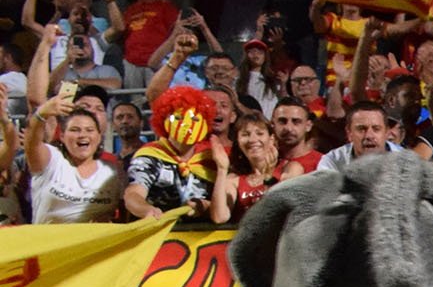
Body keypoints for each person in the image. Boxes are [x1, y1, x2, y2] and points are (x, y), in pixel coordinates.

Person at [24, 88, 123, 223]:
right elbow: (32, 143)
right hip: (52, 242)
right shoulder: (51, 160)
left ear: (99, 137)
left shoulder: (112, 171)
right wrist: (41, 114)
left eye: (90, 130)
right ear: (63, 136)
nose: (83, 135)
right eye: (75, 130)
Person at [124, 87, 219, 220]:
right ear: (164, 120)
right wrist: (147, 210)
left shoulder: (210, 159)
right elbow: (133, 194)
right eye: (179, 118)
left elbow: (224, 205)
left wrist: (205, 206)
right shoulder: (150, 155)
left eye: (195, 120)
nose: (187, 125)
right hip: (158, 233)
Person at [209, 110, 304, 224]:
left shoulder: (291, 168)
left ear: (271, 139)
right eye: (245, 134)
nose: (253, 140)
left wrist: (268, 178)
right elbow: (219, 217)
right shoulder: (234, 179)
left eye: (259, 133)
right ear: (238, 142)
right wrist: (222, 169)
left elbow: (283, 209)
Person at [109, 0, 179, 88]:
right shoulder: (130, 10)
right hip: (132, 62)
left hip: (157, 61)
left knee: (157, 99)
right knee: (134, 101)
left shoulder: (165, 6)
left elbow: (176, 32)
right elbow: (120, 31)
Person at [313, 101, 405, 173]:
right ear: (349, 133)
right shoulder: (333, 161)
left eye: (376, 129)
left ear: (386, 133)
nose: (369, 136)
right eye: (361, 129)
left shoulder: (406, 162)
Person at [272, 99, 324, 173]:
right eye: (282, 121)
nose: (288, 128)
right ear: (273, 125)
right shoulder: (263, 160)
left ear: (308, 126)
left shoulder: (322, 163)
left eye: (296, 122)